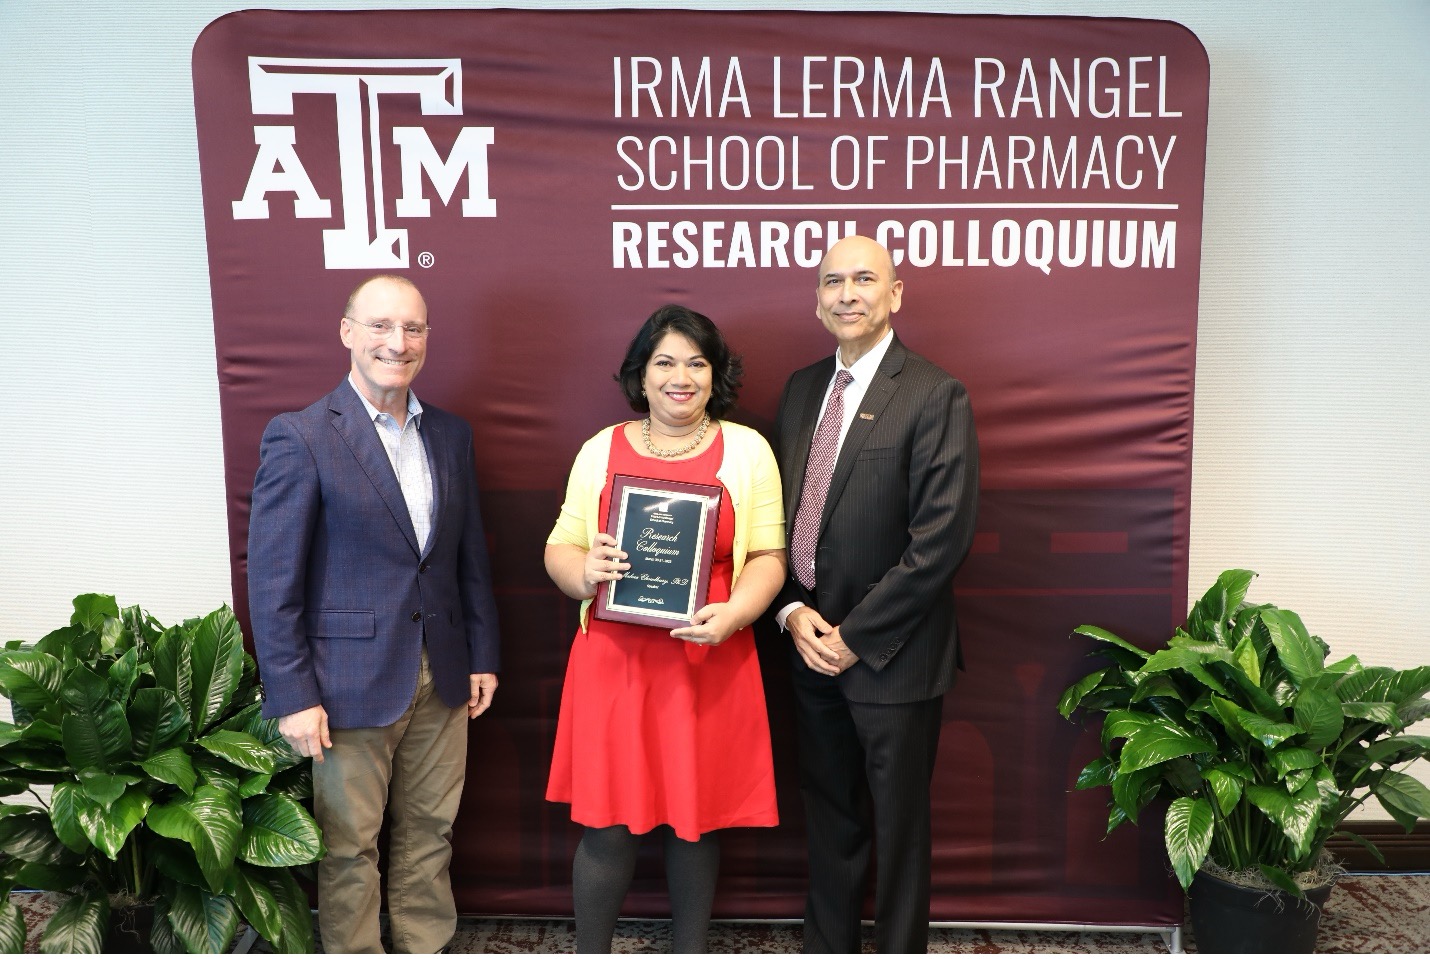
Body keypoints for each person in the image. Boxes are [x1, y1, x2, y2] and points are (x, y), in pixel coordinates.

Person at [248, 274, 500, 954]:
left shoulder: (449, 434)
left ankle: (424, 944)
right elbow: (274, 583)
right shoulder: (300, 436)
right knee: (349, 843)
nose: (398, 341)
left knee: (431, 830)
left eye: (413, 327)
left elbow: (466, 555)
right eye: (382, 325)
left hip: (443, 674)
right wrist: (293, 694)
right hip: (345, 681)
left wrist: (481, 654)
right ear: (348, 332)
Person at [544, 304, 786, 953]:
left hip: (708, 659)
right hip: (615, 665)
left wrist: (736, 614)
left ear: (715, 375)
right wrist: (584, 572)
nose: (681, 377)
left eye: (697, 363)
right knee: (607, 827)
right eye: (665, 362)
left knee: (695, 825)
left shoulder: (748, 450)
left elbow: (768, 555)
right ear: (641, 375)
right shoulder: (600, 449)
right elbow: (560, 547)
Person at [773, 235, 979, 953]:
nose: (848, 293)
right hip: (807, 646)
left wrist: (853, 637)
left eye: (865, 278)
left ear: (896, 293)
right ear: (818, 297)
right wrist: (794, 611)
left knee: (899, 832)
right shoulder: (801, 390)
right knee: (829, 818)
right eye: (833, 281)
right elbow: (783, 521)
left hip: (893, 657)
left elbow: (940, 543)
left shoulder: (933, 392)